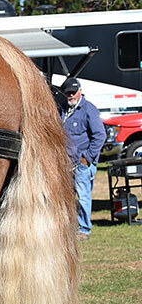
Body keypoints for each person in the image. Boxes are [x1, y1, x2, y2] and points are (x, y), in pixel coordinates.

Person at [59, 77, 106, 240]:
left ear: (80, 90)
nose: (70, 96)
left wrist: (87, 158)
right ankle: (70, 227)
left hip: (81, 163)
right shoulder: (63, 109)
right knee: (66, 196)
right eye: (67, 93)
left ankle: (84, 229)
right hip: (66, 163)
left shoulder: (88, 109)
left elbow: (100, 135)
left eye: (73, 92)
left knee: (84, 195)